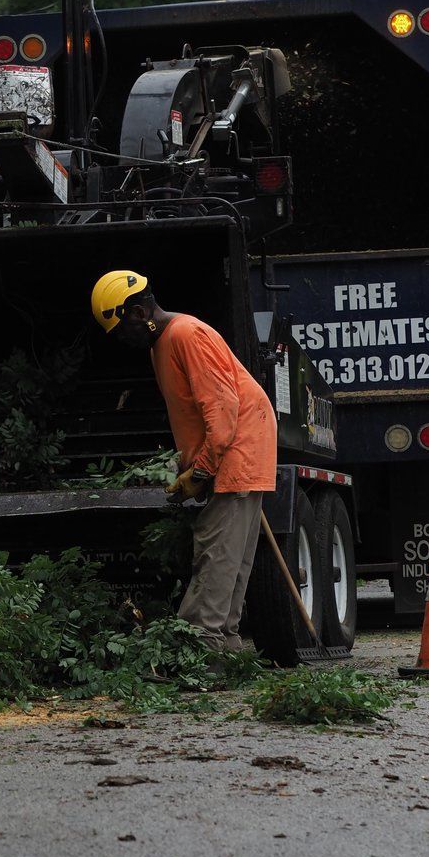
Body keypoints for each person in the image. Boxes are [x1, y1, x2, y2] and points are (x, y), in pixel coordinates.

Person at [91, 269, 277, 654]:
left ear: (139, 314)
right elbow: (191, 415)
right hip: (237, 448)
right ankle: (227, 645)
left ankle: (201, 648)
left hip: (235, 450)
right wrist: (186, 467)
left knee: (217, 552)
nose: (123, 343)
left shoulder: (186, 335)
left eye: (122, 332)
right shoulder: (161, 346)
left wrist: (204, 469)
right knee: (232, 557)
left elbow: (222, 408)